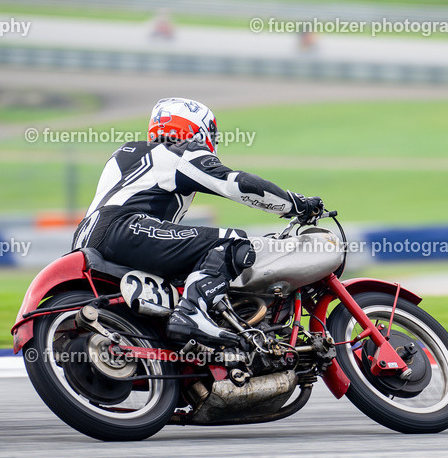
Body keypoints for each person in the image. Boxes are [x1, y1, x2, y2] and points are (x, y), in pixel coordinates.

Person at [72, 98, 322, 350]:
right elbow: (239, 184)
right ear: (198, 130)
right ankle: (192, 312)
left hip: (86, 238)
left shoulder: (126, 154)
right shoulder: (178, 152)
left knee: (183, 277)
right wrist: (296, 204)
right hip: (125, 228)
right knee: (233, 240)